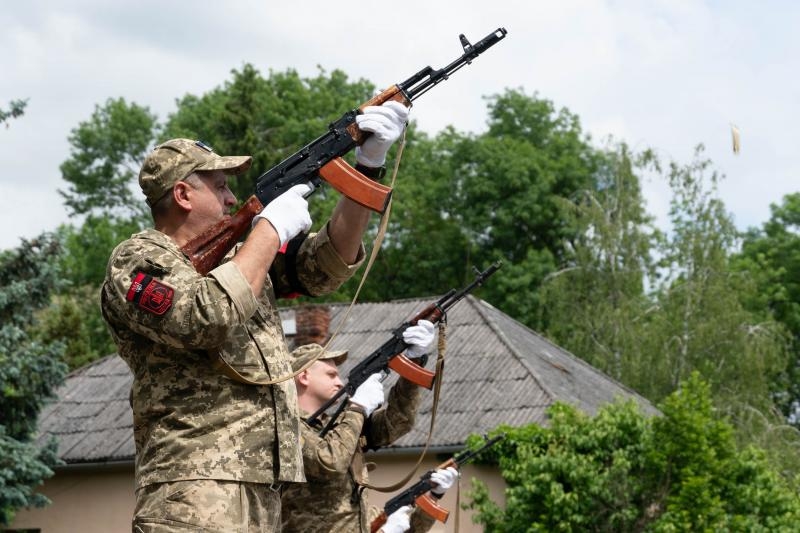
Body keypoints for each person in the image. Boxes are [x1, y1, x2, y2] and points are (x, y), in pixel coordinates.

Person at [101, 100, 409, 532]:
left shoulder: (237, 259)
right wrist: (268, 228)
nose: (231, 197)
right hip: (193, 488)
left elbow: (326, 264)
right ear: (183, 194)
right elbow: (203, 316)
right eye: (220, 185)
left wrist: (366, 166)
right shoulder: (137, 260)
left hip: (263, 486)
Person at [281, 338, 459, 532]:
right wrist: (358, 408)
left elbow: (397, 423)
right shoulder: (285, 427)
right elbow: (329, 461)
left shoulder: (339, 426)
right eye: (331, 375)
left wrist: (413, 363)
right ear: (304, 376)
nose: (340, 382)